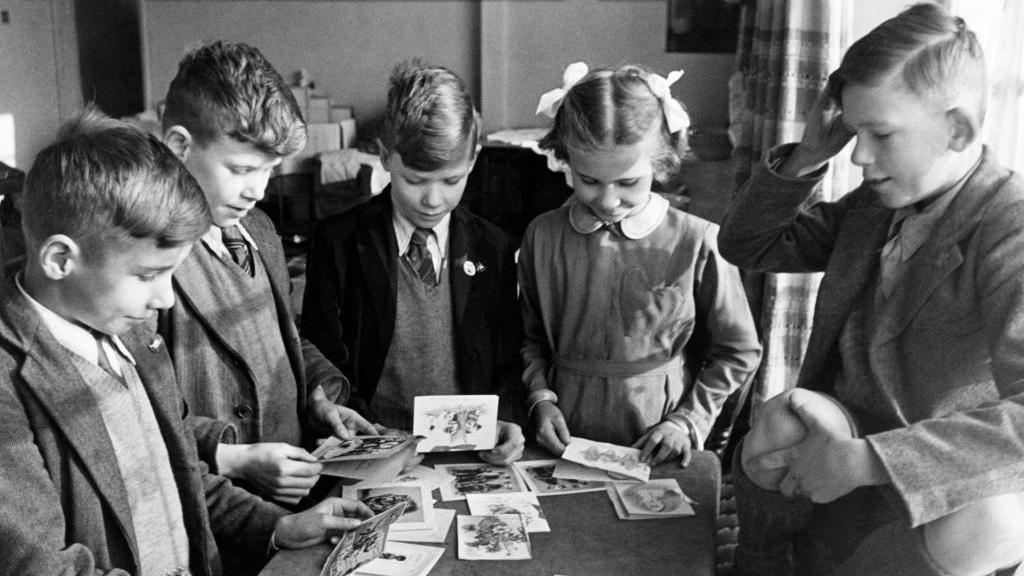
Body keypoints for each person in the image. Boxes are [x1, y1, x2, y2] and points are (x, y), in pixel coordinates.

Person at [718, 4, 1024, 575]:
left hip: (933, 473)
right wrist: (810, 153)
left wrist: (870, 461)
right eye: (854, 132)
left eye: (880, 133)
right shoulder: (876, 206)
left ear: (957, 128)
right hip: (848, 441)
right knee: (783, 416)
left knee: (1000, 522)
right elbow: (748, 245)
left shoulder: (1011, 226)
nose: (858, 156)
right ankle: (760, 563)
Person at [0, 110, 372, 576]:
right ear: (60, 259)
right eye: (147, 275)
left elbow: (183, 474)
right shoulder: (7, 385)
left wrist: (278, 527)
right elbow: (41, 568)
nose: (165, 297)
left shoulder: (131, 335)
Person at [158, 41, 377, 508]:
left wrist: (317, 398)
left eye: (270, 170)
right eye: (240, 169)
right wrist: (230, 454)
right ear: (179, 147)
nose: (257, 190)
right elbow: (143, 411)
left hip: (293, 497)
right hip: (217, 507)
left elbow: (285, 339)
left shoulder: (258, 228)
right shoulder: (149, 263)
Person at [520, 62, 761, 467]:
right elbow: (529, 342)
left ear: (662, 162)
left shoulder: (696, 240)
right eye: (589, 180)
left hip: (657, 443)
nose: (609, 200)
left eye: (628, 182)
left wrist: (688, 421)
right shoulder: (542, 237)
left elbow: (738, 352)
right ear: (565, 160)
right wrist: (539, 398)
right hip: (560, 444)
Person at [302, 61, 525, 465]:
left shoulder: (494, 246)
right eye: (416, 181)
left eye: (451, 181)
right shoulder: (338, 242)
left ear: (473, 161)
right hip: (374, 448)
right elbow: (323, 363)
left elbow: (507, 358)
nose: (433, 200)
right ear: (386, 157)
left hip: (472, 453)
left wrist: (506, 419)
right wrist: (372, 435)